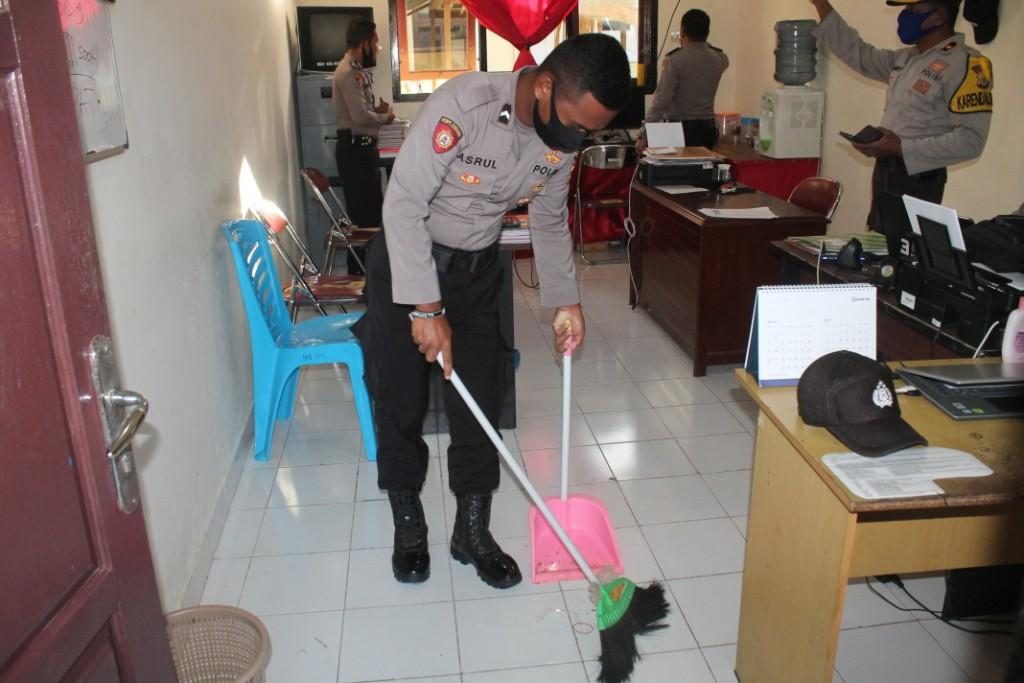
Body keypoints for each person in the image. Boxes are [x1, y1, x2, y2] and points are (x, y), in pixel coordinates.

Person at [353, 34, 631, 588]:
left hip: (478, 273)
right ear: (545, 86)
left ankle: (472, 531)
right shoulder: (465, 106)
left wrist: (566, 300)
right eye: (577, 125)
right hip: (408, 269)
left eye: (590, 131)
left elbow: (548, 219)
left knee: (481, 401)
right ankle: (409, 524)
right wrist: (426, 308)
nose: (579, 139)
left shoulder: (560, 142)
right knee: (400, 401)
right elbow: (402, 204)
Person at [810, 0, 994, 231]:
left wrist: (901, 148)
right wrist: (821, 4)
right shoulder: (907, 58)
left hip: (919, 180)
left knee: (905, 248)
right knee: (878, 245)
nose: (904, 15)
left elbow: (971, 141)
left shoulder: (966, 64)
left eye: (912, 10)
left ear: (938, 16)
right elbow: (859, 54)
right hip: (886, 172)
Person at [332, 19, 394, 274]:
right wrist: (384, 117)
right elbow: (359, 116)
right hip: (355, 152)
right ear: (365, 42)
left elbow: (360, 110)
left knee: (371, 214)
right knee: (363, 217)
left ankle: (368, 270)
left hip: (362, 150)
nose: (377, 48)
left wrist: (376, 110)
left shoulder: (355, 69)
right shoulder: (348, 72)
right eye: (375, 42)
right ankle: (359, 272)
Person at [640, 9, 729, 150]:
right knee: (704, 164)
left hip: (680, 131)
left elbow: (661, 101)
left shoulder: (674, 60)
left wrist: (644, 135)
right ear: (707, 32)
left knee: (679, 165)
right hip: (708, 130)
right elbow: (711, 55)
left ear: (682, 31)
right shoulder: (720, 58)